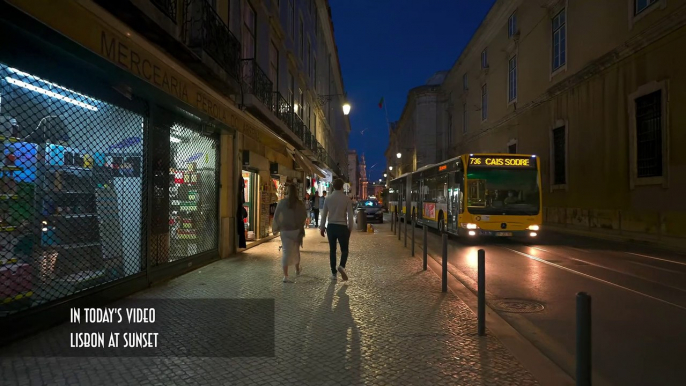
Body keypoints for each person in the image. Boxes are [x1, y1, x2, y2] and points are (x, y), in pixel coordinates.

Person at [320, 179, 354, 281]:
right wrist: (350, 228)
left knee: (332, 250)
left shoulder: (328, 199)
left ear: (333, 187)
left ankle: (334, 273)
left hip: (331, 227)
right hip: (342, 227)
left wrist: (322, 227)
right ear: (342, 187)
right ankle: (342, 266)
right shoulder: (346, 199)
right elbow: (350, 216)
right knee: (344, 250)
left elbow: (324, 215)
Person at [273, 184, 307, 283]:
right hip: (296, 230)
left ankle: (286, 276)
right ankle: (297, 270)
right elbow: (304, 216)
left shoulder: (282, 203)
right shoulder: (299, 204)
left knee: (286, 251)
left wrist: (278, 226)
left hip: (285, 230)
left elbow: (276, 216)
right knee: (296, 250)